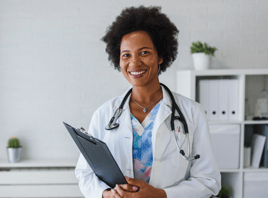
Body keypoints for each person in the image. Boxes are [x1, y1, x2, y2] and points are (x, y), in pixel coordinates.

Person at [75, 5, 221, 198]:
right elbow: (85, 173)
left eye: (144, 52)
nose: (134, 63)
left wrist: (161, 194)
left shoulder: (192, 112)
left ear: (160, 56)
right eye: (126, 55)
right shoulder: (104, 114)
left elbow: (208, 181)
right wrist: (105, 194)